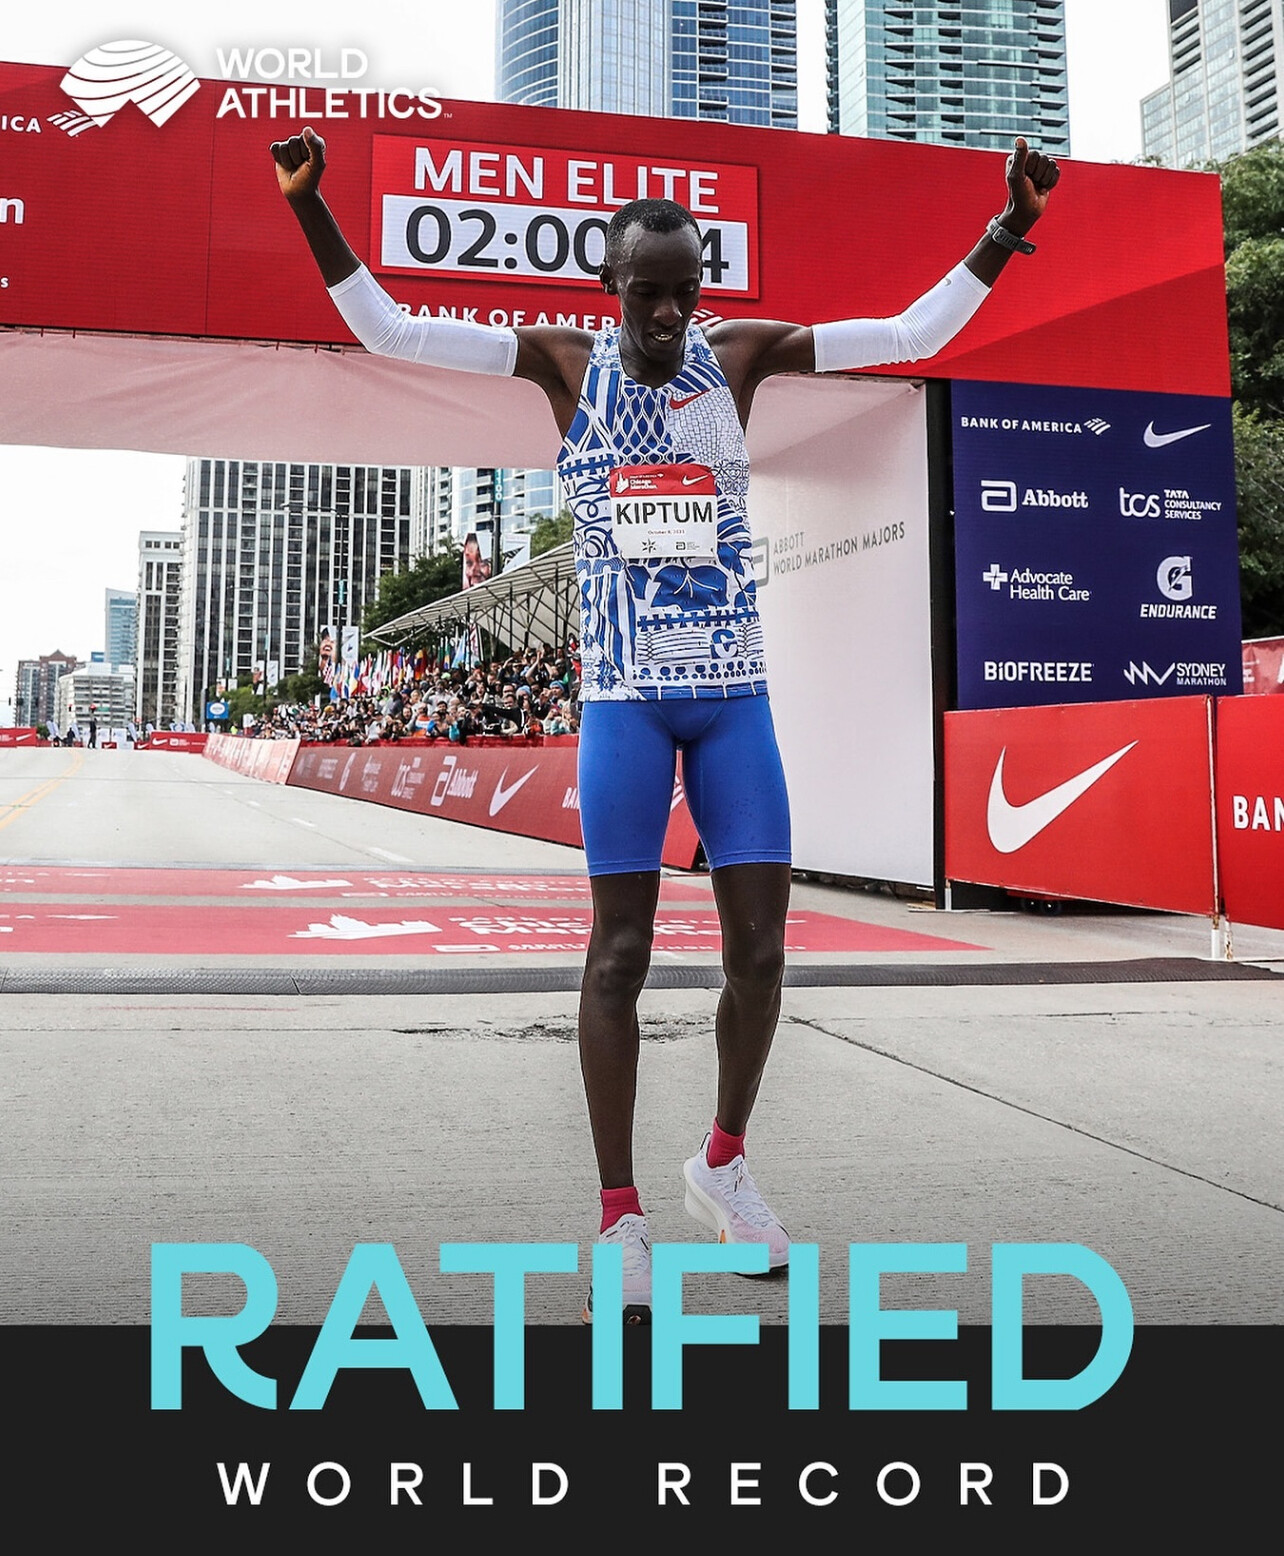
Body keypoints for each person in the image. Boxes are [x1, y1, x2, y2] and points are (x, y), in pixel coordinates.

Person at [271, 123, 1060, 1326]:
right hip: (627, 704)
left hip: (734, 697)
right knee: (619, 955)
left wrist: (1007, 228)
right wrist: (308, 206)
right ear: (609, 285)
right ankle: (619, 1214)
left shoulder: (737, 357)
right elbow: (387, 328)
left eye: (685, 290)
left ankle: (724, 1163)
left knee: (761, 951)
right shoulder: (564, 367)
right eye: (647, 293)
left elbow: (909, 334)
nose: (667, 314)